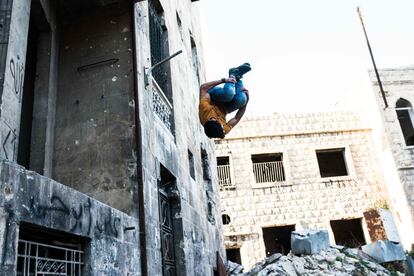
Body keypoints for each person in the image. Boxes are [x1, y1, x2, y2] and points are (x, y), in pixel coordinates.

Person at [199, 63, 251, 138]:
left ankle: (232, 75)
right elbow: (237, 118)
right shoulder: (222, 130)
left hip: (214, 96)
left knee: (228, 95)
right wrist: (247, 101)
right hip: (225, 108)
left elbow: (203, 88)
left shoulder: (204, 110)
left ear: (213, 120)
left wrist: (224, 80)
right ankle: (238, 78)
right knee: (242, 99)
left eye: (221, 125)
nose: (223, 127)